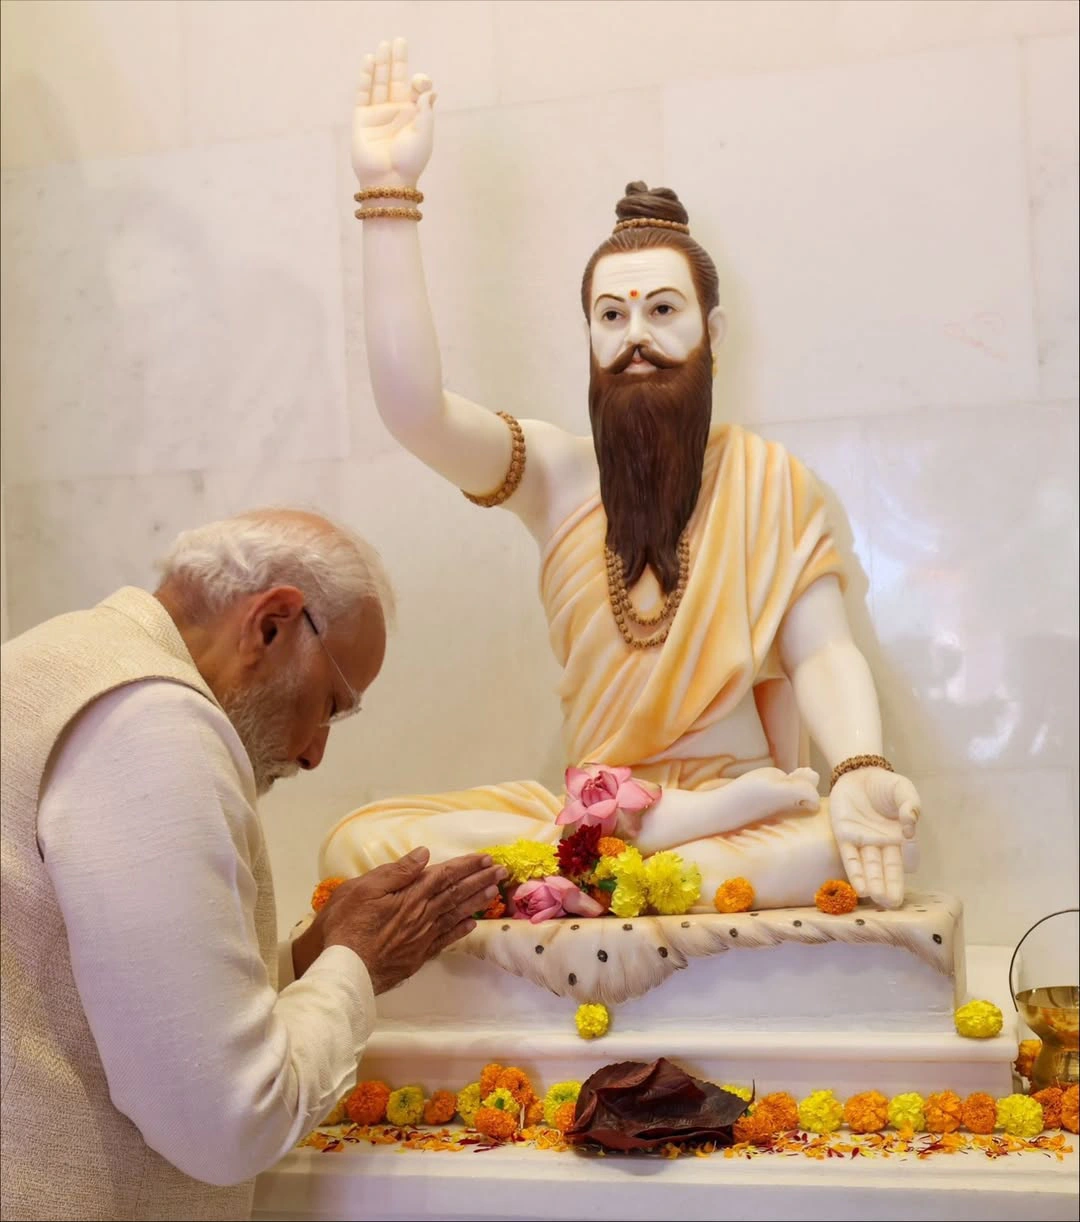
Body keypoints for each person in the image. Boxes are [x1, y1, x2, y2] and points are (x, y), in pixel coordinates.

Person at [321, 38, 921, 912]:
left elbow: (823, 648)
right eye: (611, 315)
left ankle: (623, 868)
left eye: (663, 310)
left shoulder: (766, 481)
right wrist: (388, 197)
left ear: (711, 332)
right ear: (590, 338)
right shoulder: (557, 475)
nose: (634, 334)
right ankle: (630, 860)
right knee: (359, 842)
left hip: (742, 820)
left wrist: (862, 768)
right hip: (587, 815)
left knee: (839, 831)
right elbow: (415, 410)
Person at [0, 507, 506, 1222]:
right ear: (271, 623)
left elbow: (116, 992)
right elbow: (224, 1120)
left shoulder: (54, 661)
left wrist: (309, 956)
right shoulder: (150, 721)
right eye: (331, 706)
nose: (314, 752)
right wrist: (356, 963)